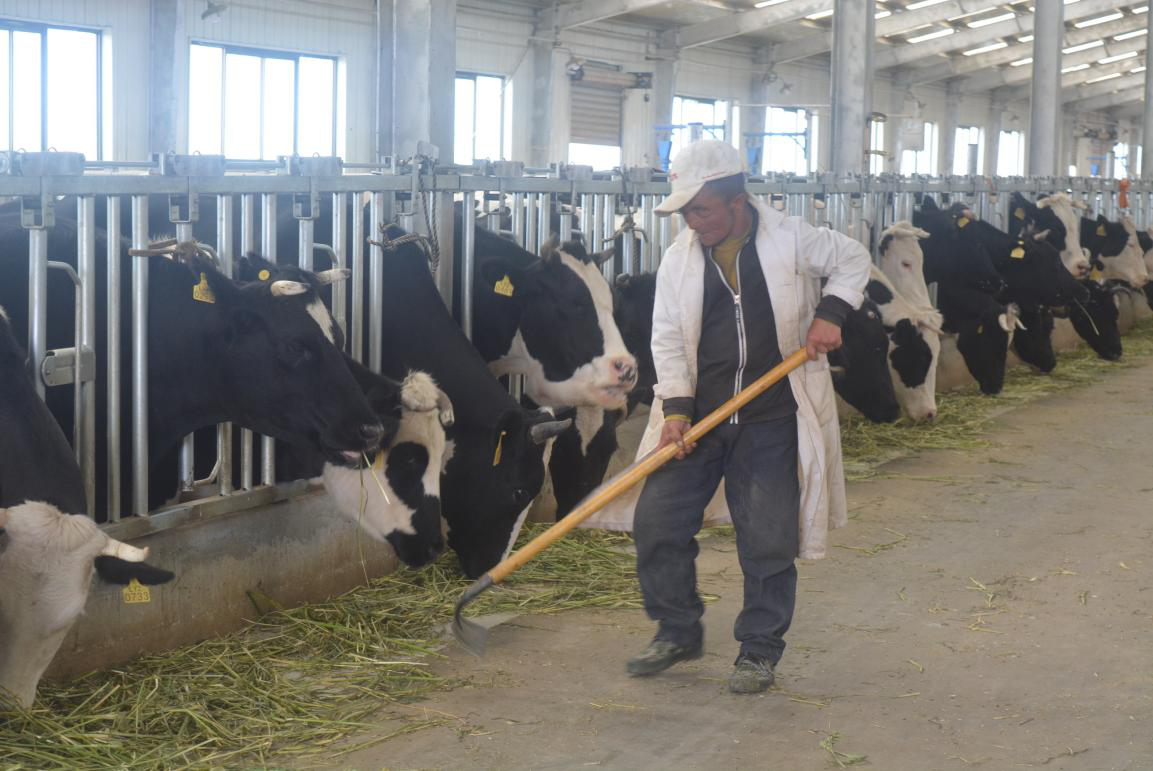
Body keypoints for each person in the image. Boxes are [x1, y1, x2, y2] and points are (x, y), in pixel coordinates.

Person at [625, 140, 870, 694]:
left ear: (737, 201)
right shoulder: (679, 259)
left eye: (701, 209)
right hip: (701, 416)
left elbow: (853, 258)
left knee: (767, 538)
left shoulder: (791, 239)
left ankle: (758, 650)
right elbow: (666, 338)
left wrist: (832, 313)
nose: (692, 221)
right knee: (657, 521)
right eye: (685, 211)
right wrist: (676, 409)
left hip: (771, 416)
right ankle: (678, 629)